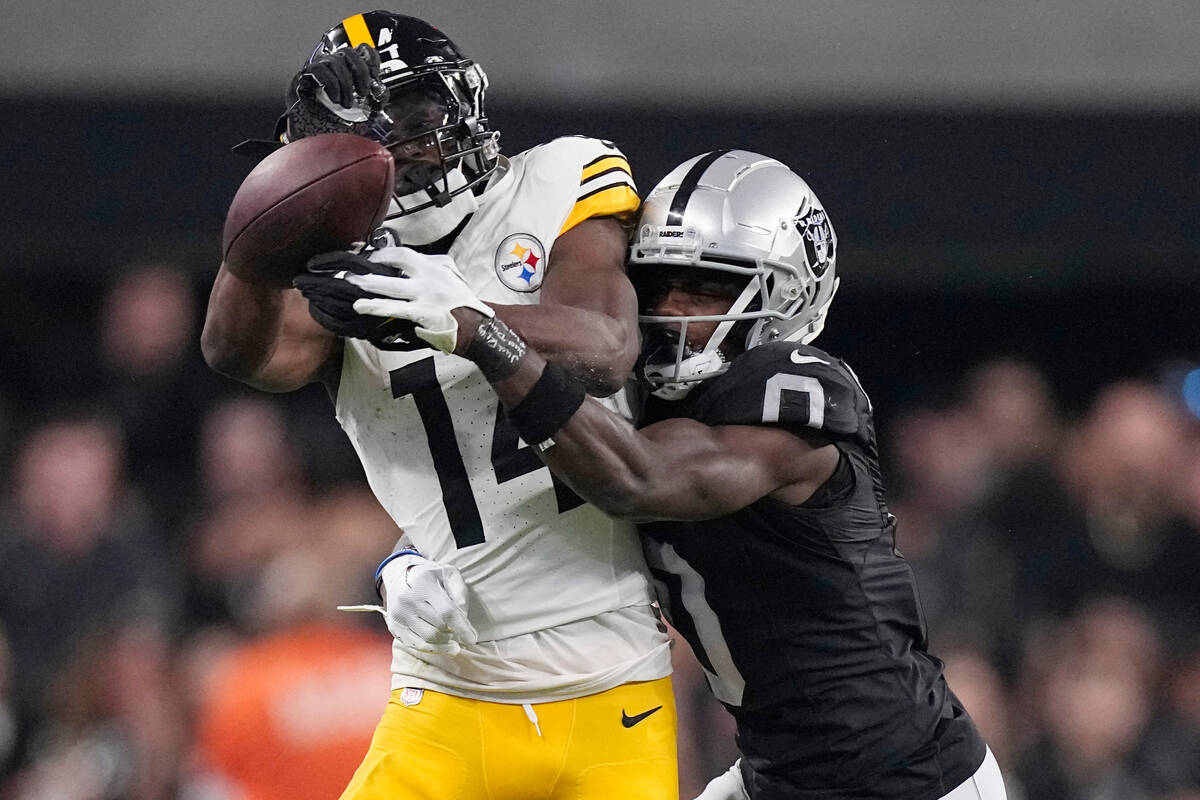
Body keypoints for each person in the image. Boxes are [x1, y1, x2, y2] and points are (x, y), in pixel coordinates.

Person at [332, 150, 1008, 799]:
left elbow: (637, 478)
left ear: (789, 295)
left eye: (708, 287)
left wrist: (483, 331)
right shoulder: (642, 400)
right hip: (778, 773)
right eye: (659, 284)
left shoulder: (796, 392)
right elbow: (521, 493)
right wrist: (410, 556)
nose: (674, 309)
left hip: (904, 776)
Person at [201, 11, 676, 800]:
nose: (398, 154)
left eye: (414, 122)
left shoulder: (558, 177)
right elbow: (235, 352)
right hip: (451, 691)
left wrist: (466, 317)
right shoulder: (337, 274)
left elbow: (605, 346)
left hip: (616, 679)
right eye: (368, 137)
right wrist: (280, 209)